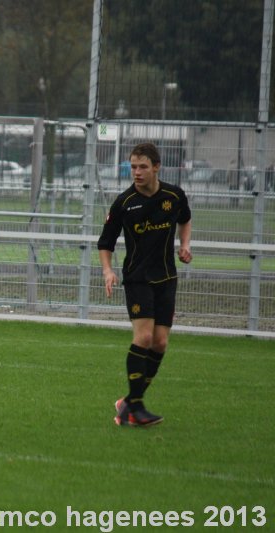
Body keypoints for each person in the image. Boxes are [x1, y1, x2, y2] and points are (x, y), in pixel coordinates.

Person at [97, 142, 192, 428]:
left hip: (166, 277)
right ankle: (134, 408)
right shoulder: (125, 202)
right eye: (132, 167)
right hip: (137, 278)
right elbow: (106, 241)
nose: (136, 172)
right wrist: (107, 271)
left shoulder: (174, 195)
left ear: (156, 167)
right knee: (143, 339)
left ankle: (130, 402)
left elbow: (185, 220)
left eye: (142, 167)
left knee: (160, 343)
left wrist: (185, 245)